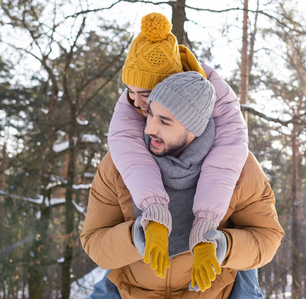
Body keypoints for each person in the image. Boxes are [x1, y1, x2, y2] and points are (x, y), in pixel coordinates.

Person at [80, 71, 284, 298]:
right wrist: (137, 236)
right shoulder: (118, 163)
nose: (149, 129)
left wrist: (222, 246)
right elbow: (93, 239)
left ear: (195, 129)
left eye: (165, 122)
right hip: (133, 291)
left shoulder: (240, 167)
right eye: (151, 116)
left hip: (213, 292)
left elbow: (267, 236)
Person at [108, 12, 249, 284]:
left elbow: (225, 159)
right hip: (141, 272)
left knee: (246, 283)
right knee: (108, 285)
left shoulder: (216, 94)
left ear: (166, 89)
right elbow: (130, 153)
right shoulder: (133, 99)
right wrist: (155, 212)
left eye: (146, 96)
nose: (135, 103)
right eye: (128, 91)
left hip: (215, 245)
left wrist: (207, 226)